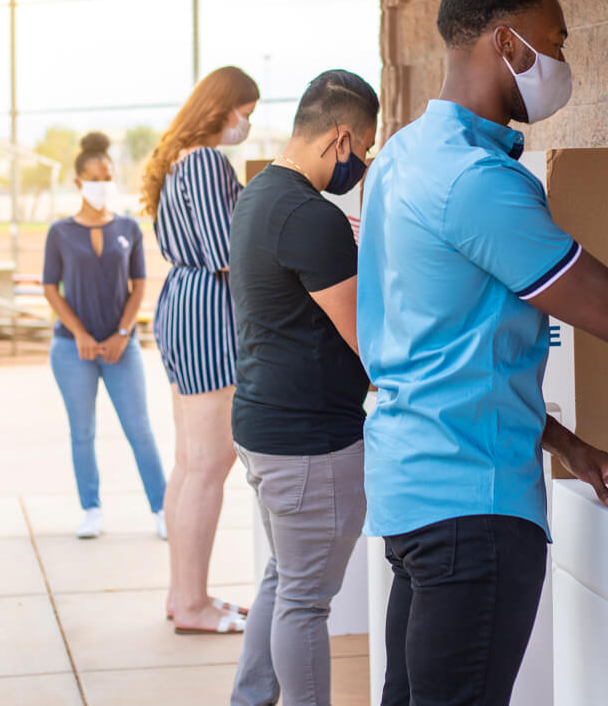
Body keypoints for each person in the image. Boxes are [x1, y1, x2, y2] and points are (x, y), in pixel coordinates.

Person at [358, 0, 608, 706]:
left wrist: (570, 445)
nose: (563, 62)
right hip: (472, 513)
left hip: (414, 495)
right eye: (555, 41)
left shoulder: (404, 157)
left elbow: (450, 353)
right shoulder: (477, 183)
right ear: (508, 43)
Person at [227, 70, 379, 706]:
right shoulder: (311, 217)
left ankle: (251, 698)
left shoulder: (258, 195)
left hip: (264, 427)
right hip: (310, 443)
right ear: (340, 136)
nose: (363, 163)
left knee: (284, 579)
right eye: (364, 149)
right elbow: (368, 340)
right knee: (306, 601)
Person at [141, 65, 261, 636]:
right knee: (210, 466)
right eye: (247, 112)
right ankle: (192, 604)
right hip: (210, 311)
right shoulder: (208, 162)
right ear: (224, 108)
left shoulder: (176, 164)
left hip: (182, 306)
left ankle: (185, 594)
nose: (247, 124)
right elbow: (225, 252)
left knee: (190, 463)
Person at [42, 132, 167, 541]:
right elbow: (50, 288)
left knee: (139, 428)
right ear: (78, 182)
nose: (102, 184)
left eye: (108, 177)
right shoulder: (59, 233)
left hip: (121, 348)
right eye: (94, 177)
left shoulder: (128, 227)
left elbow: (138, 285)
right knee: (82, 431)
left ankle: (162, 508)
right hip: (71, 349)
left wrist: (121, 334)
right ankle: (91, 509)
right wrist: (78, 334)